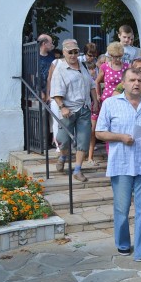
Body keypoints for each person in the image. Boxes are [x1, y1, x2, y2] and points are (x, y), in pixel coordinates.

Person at [95, 68, 141, 265]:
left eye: (140, 80)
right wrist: (120, 137)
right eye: (132, 80)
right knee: (122, 209)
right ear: (123, 83)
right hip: (121, 163)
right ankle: (123, 242)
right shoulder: (110, 104)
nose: (136, 83)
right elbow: (99, 132)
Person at [50, 39, 99, 182]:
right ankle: (63, 156)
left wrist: (95, 101)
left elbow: (91, 85)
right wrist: (62, 107)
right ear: (64, 52)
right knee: (63, 140)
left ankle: (77, 169)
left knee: (83, 140)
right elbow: (56, 92)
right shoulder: (60, 69)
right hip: (68, 110)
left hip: (84, 109)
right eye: (70, 52)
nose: (73, 55)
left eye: (75, 52)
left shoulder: (82, 66)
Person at [37, 34, 55, 99]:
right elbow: (31, 76)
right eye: (51, 43)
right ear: (44, 44)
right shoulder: (34, 56)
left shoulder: (52, 55)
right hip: (39, 89)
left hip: (51, 87)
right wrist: (39, 91)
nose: (52, 45)